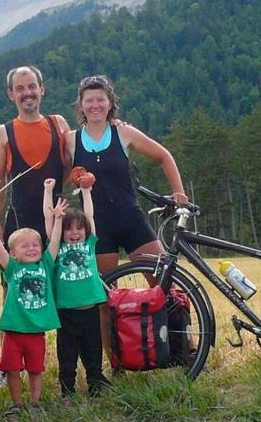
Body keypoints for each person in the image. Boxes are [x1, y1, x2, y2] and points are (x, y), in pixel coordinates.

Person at [0, 66, 71, 387]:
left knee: (64, 293)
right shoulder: (3, 132)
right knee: (13, 296)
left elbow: (70, 167)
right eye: (20, 88)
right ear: (11, 95)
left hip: (54, 227)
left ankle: (64, 368)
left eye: (32, 86)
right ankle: (7, 369)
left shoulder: (58, 124)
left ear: (42, 89)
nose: (27, 93)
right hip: (19, 224)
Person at [66, 74, 189, 274]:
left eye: (100, 99)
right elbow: (57, 172)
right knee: (104, 297)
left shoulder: (124, 133)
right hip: (97, 227)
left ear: (110, 103)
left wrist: (179, 191)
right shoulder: (70, 140)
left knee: (165, 284)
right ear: (81, 105)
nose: (95, 105)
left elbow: (164, 156)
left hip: (131, 220)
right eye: (89, 100)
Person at [0, 190, 65, 417]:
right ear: (13, 253)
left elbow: (55, 241)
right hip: (13, 329)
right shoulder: (12, 268)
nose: (32, 249)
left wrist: (58, 218)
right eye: (25, 246)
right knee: (11, 369)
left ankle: (35, 402)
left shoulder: (46, 265)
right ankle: (17, 404)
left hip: (35, 330)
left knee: (35, 369)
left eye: (35, 245)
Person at [42, 176, 109, 401]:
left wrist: (86, 192)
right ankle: (67, 392)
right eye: (69, 229)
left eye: (79, 229)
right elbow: (48, 220)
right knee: (67, 357)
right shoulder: (57, 247)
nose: (75, 233)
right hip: (66, 314)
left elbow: (89, 215)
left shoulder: (89, 244)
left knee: (93, 354)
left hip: (90, 311)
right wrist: (48, 191)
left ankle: (96, 389)